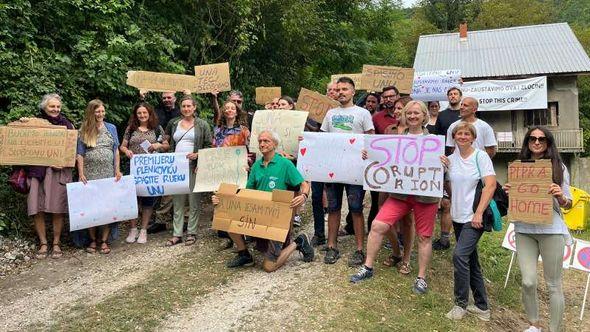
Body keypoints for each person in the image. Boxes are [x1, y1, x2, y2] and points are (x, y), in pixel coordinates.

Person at [350, 101, 440, 295]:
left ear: (424, 116)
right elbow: (383, 160)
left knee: (425, 236)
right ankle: (368, 267)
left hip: (425, 196)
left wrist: (444, 162)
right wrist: (370, 154)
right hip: (400, 194)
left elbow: (441, 169)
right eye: (409, 113)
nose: (413, 116)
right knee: (378, 225)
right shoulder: (396, 139)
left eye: (417, 113)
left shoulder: (434, 141)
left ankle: (421, 277)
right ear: (404, 116)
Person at [212, 130, 314, 272]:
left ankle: (299, 241)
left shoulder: (285, 164)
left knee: (268, 267)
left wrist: (303, 196)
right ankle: (244, 254)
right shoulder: (256, 166)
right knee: (229, 215)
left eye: (266, 141)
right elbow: (246, 193)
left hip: (277, 220)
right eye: (260, 141)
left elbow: (304, 184)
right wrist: (221, 200)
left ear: (275, 144)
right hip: (258, 216)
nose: (262, 144)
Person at [503, 127, 572, 332]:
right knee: (528, 281)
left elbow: (568, 203)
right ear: (527, 142)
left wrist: (560, 195)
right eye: (532, 138)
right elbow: (516, 199)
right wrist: (509, 191)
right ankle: (534, 325)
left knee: (553, 284)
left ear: (548, 142)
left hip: (551, 230)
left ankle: (554, 329)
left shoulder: (559, 167)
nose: (537, 142)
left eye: (542, 139)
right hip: (524, 229)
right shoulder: (518, 167)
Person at [320, 76, 375, 266]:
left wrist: (368, 153)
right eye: (339, 89)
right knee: (333, 208)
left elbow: (371, 139)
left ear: (353, 92)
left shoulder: (363, 113)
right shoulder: (330, 114)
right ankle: (331, 246)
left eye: (345, 89)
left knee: (356, 209)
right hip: (334, 169)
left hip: (355, 170)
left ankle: (360, 250)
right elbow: (323, 140)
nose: (341, 92)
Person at [444, 122, 495, 322]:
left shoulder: (480, 157)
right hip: (457, 216)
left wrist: (479, 213)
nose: (463, 136)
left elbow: (490, 185)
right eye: (459, 133)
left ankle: (460, 304)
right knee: (471, 261)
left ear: (473, 138)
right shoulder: (448, 160)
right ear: (453, 137)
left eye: (467, 134)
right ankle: (482, 307)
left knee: (459, 256)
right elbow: (447, 184)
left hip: (474, 217)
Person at [24, 93, 74, 259]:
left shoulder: (67, 125)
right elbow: (19, 139)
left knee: (57, 208)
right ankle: (43, 243)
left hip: (57, 172)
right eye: (52, 106)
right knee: (36, 208)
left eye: (58, 107)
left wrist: (64, 161)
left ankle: (56, 243)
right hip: (36, 172)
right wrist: (21, 124)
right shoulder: (33, 123)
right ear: (44, 107)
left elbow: (72, 150)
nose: (55, 109)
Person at [76, 99, 122, 254]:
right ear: (91, 112)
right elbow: (80, 154)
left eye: (102, 111)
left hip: (108, 174)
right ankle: (92, 240)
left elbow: (116, 150)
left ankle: (104, 240)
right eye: (97, 111)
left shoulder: (111, 128)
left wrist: (117, 170)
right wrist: (81, 173)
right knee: (91, 209)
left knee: (107, 208)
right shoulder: (84, 129)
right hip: (90, 175)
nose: (101, 114)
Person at [165, 95, 212, 246]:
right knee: (177, 202)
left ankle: (191, 232)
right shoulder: (174, 123)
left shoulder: (202, 124)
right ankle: (177, 233)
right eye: (183, 106)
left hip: (194, 167)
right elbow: (167, 141)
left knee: (194, 201)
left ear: (194, 107)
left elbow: (209, 146)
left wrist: (198, 155)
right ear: (180, 108)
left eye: (189, 106)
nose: (186, 109)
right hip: (177, 167)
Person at [120, 102, 169, 244]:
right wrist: (126, 151)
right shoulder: (131, 128)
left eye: (144, 113)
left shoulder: (157, 128)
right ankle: (133, 229)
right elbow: (122, 146)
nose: (142, 115)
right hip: (134, 168)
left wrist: (158, 145)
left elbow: (166, 145)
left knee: (148, 200)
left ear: (149, 114)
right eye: (139, 113)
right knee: (133, 199)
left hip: (150, 170)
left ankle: (143, 230)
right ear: (136, 115)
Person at [212, 99, 251, 249]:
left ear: (236, 111)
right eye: (226, 108)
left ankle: (240, 236)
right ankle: (225, 237)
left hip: (237, 171)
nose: (229, 110)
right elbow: (213, 150)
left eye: (232, 108)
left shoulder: (243, 130)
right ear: (223, 111)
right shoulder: (217, 130)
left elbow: (250, 150)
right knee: (221, 201)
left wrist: (247, 162)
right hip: (222, 170)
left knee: (238, 201)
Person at [432, 88, 462, 251]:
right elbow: (437, 138)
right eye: (450, 94)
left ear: (460, 96)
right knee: (444, 202)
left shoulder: (465, 115)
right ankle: (444, 238)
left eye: (455, 94)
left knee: (453, 201)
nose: (453, 96)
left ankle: (460, 236)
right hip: (444, 162)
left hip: (463, 162)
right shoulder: (442, 115)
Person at [147, 91, 181, 234]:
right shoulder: (157, 111)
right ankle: (161, 220)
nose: (166, 100)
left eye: (169, 97)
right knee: (165, 187)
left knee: (180, 187)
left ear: (175, 98)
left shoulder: (182, 111)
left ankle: (181, 219)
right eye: (164, 98)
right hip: (163, 152)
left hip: (181, 154)